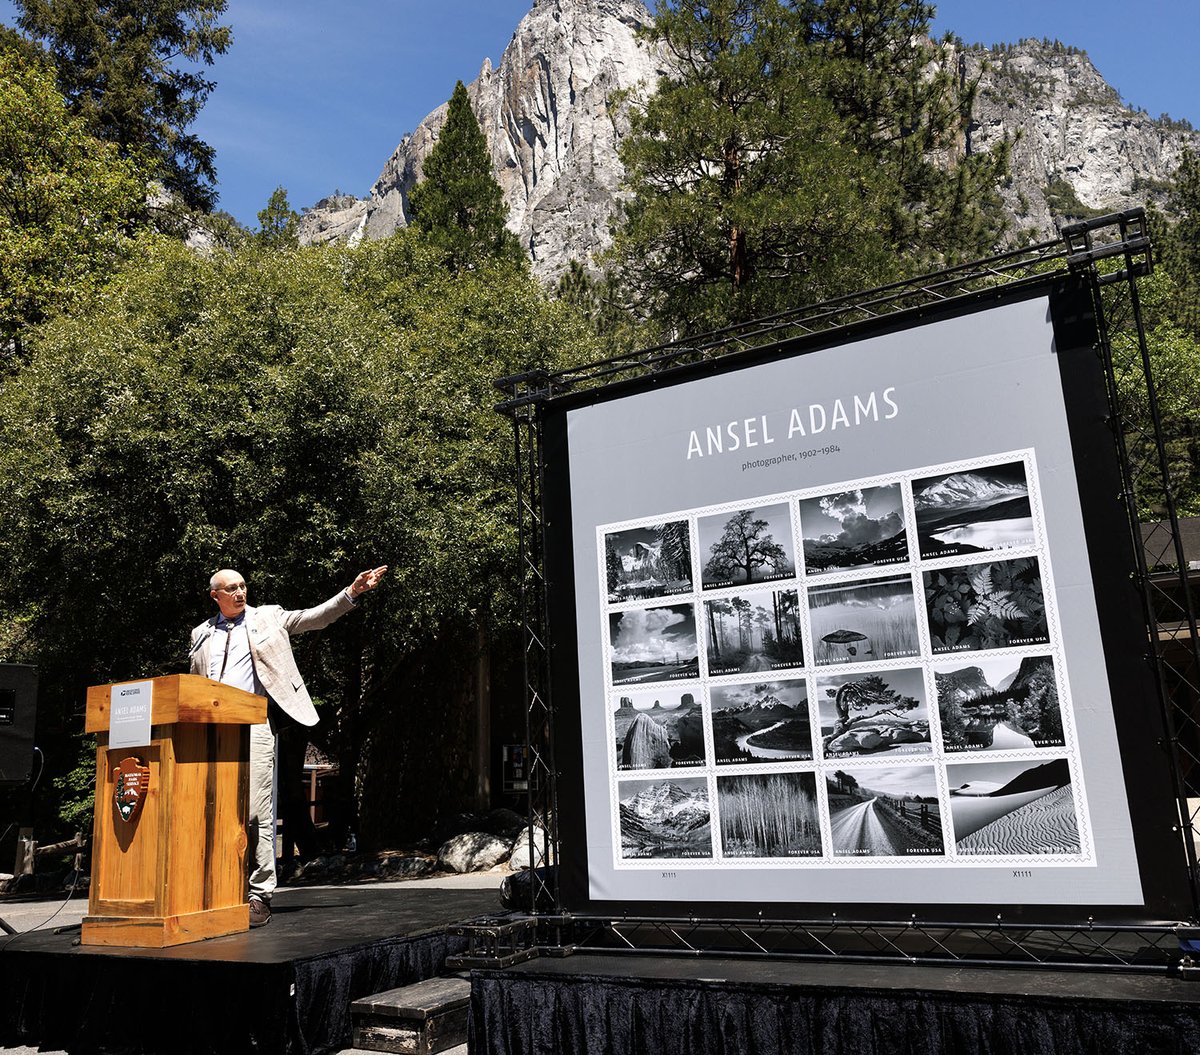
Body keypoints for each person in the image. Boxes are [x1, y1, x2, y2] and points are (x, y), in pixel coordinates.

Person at [189, 565, 388, 927]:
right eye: (230, 588)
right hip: (210, 730)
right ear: (214, 595)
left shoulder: (268, 617)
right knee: (210, 808)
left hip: (253, 723)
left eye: (243, 586)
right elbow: (192, 683)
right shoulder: (201, 634)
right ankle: (216, 888)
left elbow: (315, 618)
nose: (239, 592)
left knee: (255, 810)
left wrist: (352, 592)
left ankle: (259, 894)